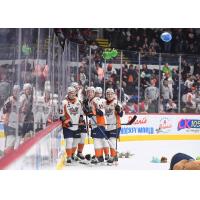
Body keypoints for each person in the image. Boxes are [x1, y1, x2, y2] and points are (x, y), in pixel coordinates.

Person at [83, 86, 106, 164]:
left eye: (91, 92)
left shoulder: (96, 100)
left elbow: (102, 112)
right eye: (88, 92)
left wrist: (92, 112)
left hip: (99, 123)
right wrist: (87, 111)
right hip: (94, 124)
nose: (89, 93)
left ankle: (99, 157)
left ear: (94, 93)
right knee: (98, 140)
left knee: (97, 141)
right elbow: (88, 112)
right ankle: (100, 157)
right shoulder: (89, 101)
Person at [60, 86, 83, 164]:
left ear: (75, 93)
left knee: (76, 140)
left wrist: (80, 119)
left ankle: (72, 154)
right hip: (67, 126)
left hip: (76, 125)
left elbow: (81, 113)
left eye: (73, 93)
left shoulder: (79, 102)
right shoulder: (64, 102)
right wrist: (66, 121)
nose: (72, 94)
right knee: (69, 141)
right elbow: (61, 115)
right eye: (70, 93)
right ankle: (69, 157)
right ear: (68, 93)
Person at [104, 88, 123, 164]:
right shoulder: (104, 103)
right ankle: (114, 156)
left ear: (113, 95)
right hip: (107, 126)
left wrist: (119, 111)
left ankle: (113, 157)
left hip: (115, 125)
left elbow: (121, 115)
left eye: (111, 94)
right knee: (108, 142)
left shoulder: (116, 103)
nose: (109, 95)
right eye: (108, 94)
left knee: (112, 141)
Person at [95, 87, 109, 161]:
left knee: (104, 139)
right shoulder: (94, 100)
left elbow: (103, 111)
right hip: (96, 123)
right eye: (97, 93)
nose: (98, 94)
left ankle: (107, 154)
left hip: (103, 122)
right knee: (98, 140)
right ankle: (100, 155)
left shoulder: (103, 100)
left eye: (99, 93)